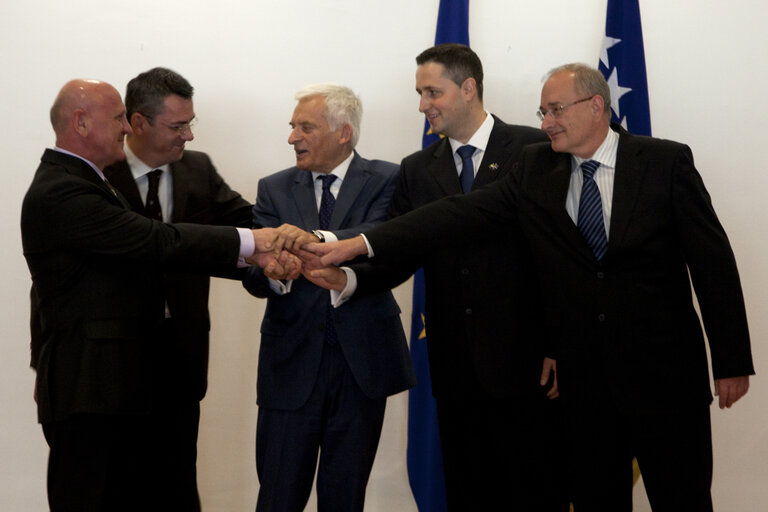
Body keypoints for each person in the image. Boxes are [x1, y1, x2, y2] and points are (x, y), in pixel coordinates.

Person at [305, 63, 754, 511]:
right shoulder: (538, 166)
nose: (546, 123)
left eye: (556, 110)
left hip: (665, 380)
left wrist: (731, 360)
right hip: (585, 388)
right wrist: (356, 243)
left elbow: (712, 262)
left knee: (684, 500)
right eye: (542, 111)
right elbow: (454, 215)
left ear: (597, 106)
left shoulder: (664, 162)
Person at [299, 43, 564, 511]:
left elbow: (560, 256)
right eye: (419, 93)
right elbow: (397, 251)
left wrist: (557, 344)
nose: (423, 105)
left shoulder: (534, 149)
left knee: (535, 491)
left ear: (468, 88)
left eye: (432, 92)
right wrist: (347, 280)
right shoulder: (419, 168)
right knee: (466, 492)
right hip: (454, 365)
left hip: (528, 364)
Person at [21, 79, 291, 511]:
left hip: (149, 377)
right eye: (116, 119)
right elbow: (156, 241)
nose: (124, 128)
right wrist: (255, 245)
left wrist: (276, 251)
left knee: (168, 493)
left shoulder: (83, 180)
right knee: (96, 496)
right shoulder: (63, 190)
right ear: (81, 121)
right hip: (91, 384)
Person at [241, 83, 416, 512]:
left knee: (344, 498)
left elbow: (385, 242)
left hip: (361, 367)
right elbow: (254, 272)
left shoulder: (390, 179)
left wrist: (320, 247)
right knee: (279, 496)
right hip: (291, 366)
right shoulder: (273, 188)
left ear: (343, 132)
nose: (292, 137)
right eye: (292, 126)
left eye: (305, 127)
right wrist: (275, 275)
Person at [101, 67, 253, 510]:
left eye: (191, 123)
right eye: (177, 126)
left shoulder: (197, 170)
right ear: (138, 123)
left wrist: (298, 240)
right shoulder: (97, 174)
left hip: (180, 355)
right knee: (116, 482)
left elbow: (245, 223)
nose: (188, 136)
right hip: (112, 358)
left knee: (178, 480)